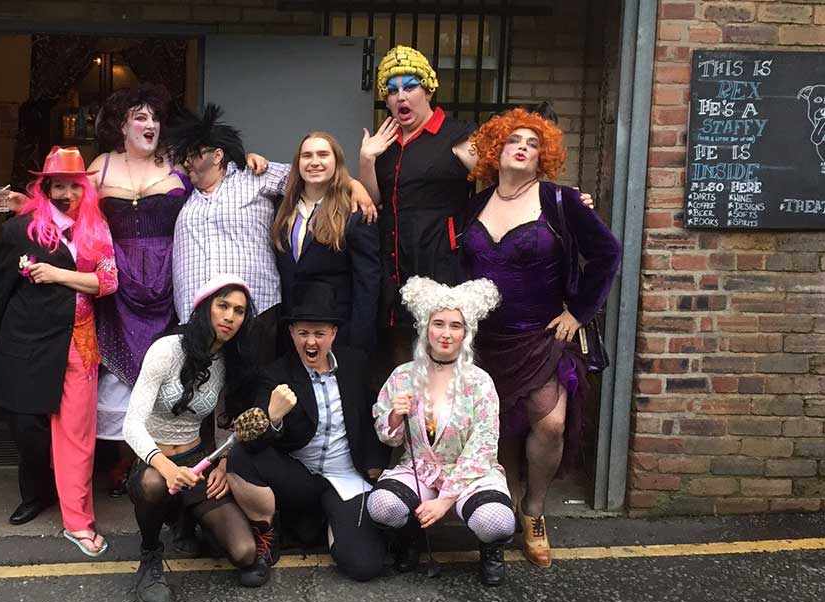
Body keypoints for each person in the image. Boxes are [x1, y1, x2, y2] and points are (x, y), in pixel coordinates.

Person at [357, 46, 594, 369]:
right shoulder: (384, 143)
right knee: (402, 363)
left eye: (410, 86)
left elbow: (512, 173)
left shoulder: (458, 137)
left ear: (428, 90)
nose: (401, 96)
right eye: (392, 90)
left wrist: (559, 200)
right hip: (396, 266)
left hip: (444, 265)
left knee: (446, 358)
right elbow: (374, 202)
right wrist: (366, 161)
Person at [459, 107, 621, 568]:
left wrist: (579, 310)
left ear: (543, 154)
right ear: (497, 151)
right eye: (514, 141)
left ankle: (534, 510)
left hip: (542, 335)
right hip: (484, 340)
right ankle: (500, 508)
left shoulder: (560, 201)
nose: (523, 147)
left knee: (548, 423)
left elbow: (607, 253)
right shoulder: (476, 203)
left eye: (533, 143)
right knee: (496, 432)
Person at [166, 104, 376, 363]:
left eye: (192, 154)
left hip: (256, 313)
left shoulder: (254, 176)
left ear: (217, 155)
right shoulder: (181, 191)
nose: (186, 161)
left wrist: (353, 184)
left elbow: (310, 176)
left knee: (252, 389)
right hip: (196, 317)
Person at [0, 146, 118, 556]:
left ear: (85, 190)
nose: (65, 194)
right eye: (57, 186)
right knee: (28, 428)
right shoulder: (20, 230)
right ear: (44, 189)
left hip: (80, 342)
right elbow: (0, 293)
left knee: (77, 437)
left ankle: (77, 521)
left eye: (72, 187)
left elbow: (109, 283)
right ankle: (37, 492)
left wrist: (60, 275)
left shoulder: (97, 230)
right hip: (27, 342)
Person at [226, 283, 390, 585]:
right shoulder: (276, 374)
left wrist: (375, 464)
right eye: (303, 333)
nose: (310, 341)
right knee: (239, 457)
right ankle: (266, 532)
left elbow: (372, 420)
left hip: (346, 479)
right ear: (291, 334)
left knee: (364, 565)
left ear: (333, 334)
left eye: (319, 333)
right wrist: (272, 416)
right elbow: (249, 441)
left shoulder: (355, 364)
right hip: (299, 476)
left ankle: (328, 522)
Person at [123, 274, 261, 602]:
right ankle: (151, 556)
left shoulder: (228, 360)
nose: (230, 316)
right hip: (155, 462)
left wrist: (224, 464)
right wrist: (166, 467)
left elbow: (221, 423)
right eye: (223, 306)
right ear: (205, 309)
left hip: (197, 461)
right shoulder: (166, 350)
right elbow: (131, 424)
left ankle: (186, 516)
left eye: (239, 311)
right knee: (154, 485)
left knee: (245, 553)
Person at [366, 276, 515, 586]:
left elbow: (484, 446)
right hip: (420, 468)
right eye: (439, 324)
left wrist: (445, 500)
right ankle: (409, 536)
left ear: (466, 334)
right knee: (382, 506)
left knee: (497, 521)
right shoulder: (403, 376)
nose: (446, 334)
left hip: (471, 473)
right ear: (425, 328)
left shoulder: (479, 383)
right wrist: (395, 415)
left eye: (455, 326)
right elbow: (386, 434)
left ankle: (490, 548)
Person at [87, 84, 191, 496]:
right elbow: (65, 210)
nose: (150, 124)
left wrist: (250, 161)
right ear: (122, 125)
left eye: (154, 118)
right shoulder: (101, 167)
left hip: (168, 280)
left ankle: (163, 463)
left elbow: (221, 183)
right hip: (119, 283)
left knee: (163, 371)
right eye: (140, 117)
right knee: (116, 375)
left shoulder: (177, 164)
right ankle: (121, 464)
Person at [269, 131, 380, 351]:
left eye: (323, 155)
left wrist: (358, 341)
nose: (314, 162)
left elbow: (368, 283)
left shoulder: (356, 210)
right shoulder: (281, 207)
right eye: (307, 156)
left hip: (338, 331)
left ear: (336, 162)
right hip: (291, 330)